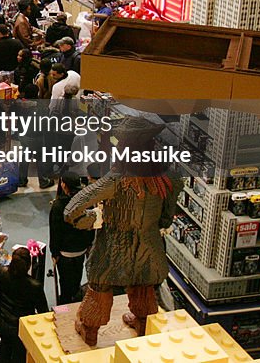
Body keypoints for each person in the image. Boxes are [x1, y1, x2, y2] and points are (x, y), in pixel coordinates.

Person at [66, 117, 183, 345]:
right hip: (149, 246)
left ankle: (90, 329)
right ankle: (142, 322)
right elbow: (166, 217)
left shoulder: (115, 181)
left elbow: (72, 211)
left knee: (100, 287)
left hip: (112, 247)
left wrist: (93, 220)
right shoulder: (165, 179)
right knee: (144, 286)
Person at [0, 246, 50, 363]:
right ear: (28, 266)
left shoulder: (1, 272)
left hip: (1, 322)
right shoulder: (35, 286)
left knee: (5, 347)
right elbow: (43, 312)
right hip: (21, 327)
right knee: (19, 355)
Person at [50, 177, 95, 305]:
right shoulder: (86, 201)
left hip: (65, 253)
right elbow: (91, 224)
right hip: (81, 249)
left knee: (65, 284)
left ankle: (66, 306)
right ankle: (75, 300)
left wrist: (54, 252)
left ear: (64, 185)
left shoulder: (58, 206)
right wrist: (89, 244)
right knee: (77, 278)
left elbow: (55, 231)